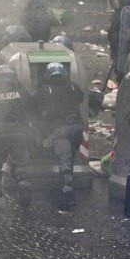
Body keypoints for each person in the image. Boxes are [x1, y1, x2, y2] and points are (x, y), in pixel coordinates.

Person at [34, 62, 85, 210]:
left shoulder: (45, 89)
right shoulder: (72, 86)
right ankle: (67, 186)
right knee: (70, 156)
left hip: (61, 131)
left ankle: (67, 193)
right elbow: (81, 97)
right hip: (78, 128)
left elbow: (31, 103)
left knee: (65, 159)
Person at [0, 65, 33, 209]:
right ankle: (24, 188)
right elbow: (30, 105)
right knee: (20, 166)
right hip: (18, 131)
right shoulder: (21, 92)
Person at [106, 0, 127, 79]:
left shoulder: (126, 14)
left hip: (122, 49)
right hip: (117, 50)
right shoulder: (117, 15)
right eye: (113, 0)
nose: (116, 2)